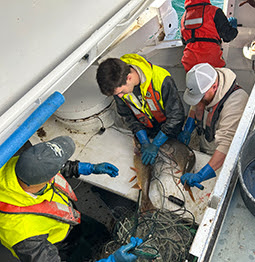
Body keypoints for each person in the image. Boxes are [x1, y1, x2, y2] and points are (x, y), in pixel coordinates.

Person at [0, 136, 141, 262]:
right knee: (85, 255)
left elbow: (54, 166)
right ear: (48, 179)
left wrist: (88, 168)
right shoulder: (23, 235)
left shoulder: (18, 165)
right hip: (62, 245)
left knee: (100, 232)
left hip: (69, 218)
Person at [96, 54, 185, 165]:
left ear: (129, 78)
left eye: (121, 92)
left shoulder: (162, 79)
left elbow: (176, 116)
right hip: (146, 131)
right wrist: (143, 140)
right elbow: (127, 115)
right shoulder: (117, 82)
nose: (119, 96)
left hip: (169, 129)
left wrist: (156, 144)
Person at [178, 63, 248, 189]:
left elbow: (226, 145)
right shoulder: (206, 83)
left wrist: (201, 175)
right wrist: (188, 127)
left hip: (219, 154)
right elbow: (196, 103)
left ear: (214, 87)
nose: (198, 101)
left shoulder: (237, 101)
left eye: (200, 97)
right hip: (205, 142)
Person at [180, 0, 238, 72]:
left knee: (195, 82)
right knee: (218, 82)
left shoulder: (184, 17)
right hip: (212, 60)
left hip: (190, 63)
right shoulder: (214, 11)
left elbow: (184, 41)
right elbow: (228, 36)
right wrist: (233, 27)